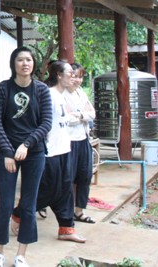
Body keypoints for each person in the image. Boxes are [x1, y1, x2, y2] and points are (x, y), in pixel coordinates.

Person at [0, 47, 53, 267]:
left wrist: (26, 144)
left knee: (28, 204)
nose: (25, 63)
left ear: (33, 64)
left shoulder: (41, 89)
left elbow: (46, 123)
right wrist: (8, 152)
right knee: (5, 205)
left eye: (28, 60)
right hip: (7, 154)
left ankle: (21, 255)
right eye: (20, 60)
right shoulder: (3, 88)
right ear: (13, 64)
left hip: (34, 153)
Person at [12, 60, 86, 246]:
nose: (73, 77)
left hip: (64, 149)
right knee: (46, 191)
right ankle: (18, 214)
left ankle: (66, 228)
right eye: (70, 73)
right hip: (48, 152)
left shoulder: (62, 96)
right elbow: (38, 122)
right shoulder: (48, 95)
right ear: (59, 76)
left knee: (66, 190)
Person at [65, 62, 97, 224]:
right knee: (68, 178)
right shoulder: (61, 94)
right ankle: (66, 211)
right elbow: (66, 119)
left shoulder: (81, 93)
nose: (77, 80)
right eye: (74, 76)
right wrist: (83, 116)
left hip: (83, 139)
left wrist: (79, 115)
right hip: (68, 141)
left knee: (85, 176)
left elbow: (92, 114)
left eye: (80, 77)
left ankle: (79, 211)